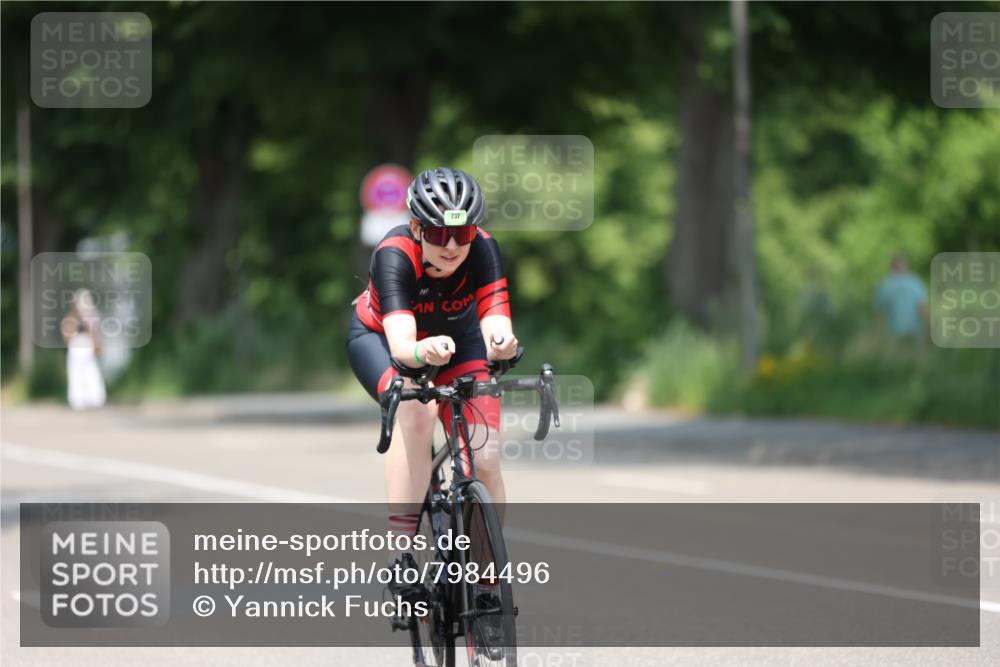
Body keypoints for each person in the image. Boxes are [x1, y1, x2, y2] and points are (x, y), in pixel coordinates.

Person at [346, 167, 518, 605]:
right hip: (385, 341)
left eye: (464, 233)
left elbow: (496, 321)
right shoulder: (394, 254)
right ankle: (402, 556)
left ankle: (487, 581)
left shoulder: (482, 250)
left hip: (460, 343)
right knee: (416, 414)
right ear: (419, 228)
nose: (454, 246)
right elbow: (403, 346)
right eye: (440, 236)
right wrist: (423, 353)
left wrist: (503, 343)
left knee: (486, 457)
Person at [61, 289, 107, 410]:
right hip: (83, 345)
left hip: (79, 346)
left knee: (82, 373)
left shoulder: (75, 316)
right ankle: (88, 400)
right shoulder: (86, 316)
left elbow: (67, 335)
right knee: (89, 372)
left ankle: (83, 401)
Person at [874, 253, 928, 341]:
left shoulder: (914, 282)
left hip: (907, 332)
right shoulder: (885, 285)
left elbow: (922, 307)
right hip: (900, 333)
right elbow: (879, 312)